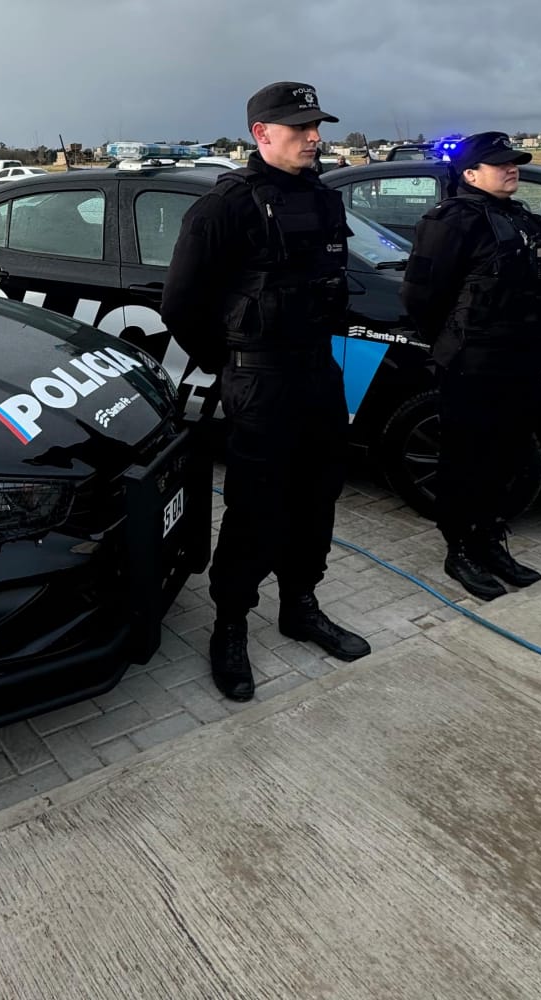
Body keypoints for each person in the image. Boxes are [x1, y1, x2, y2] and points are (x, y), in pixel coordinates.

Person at [162, 81, 370, 702]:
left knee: (318, 496)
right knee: (257, 505)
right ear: (261, 134)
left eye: (317, 126)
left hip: (317, 373)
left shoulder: (322, 199)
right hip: (260, 380)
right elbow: (180, 304)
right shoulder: (226, 207)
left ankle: (300, 605)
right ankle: (230, 625)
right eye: (301, 127)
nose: (315, 137)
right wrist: (232, 360)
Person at [399, 132, 541, 601]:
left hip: (521, 358)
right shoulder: (451, 221)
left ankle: (490, 539)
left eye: (514, 162)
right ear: (471, 174)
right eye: (500, 164)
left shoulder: (522, 218)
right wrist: (454, 341)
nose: (512, 169)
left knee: (507, 456)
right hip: (472, 363)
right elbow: (422, 295)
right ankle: (460, 548)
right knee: (466, 459)